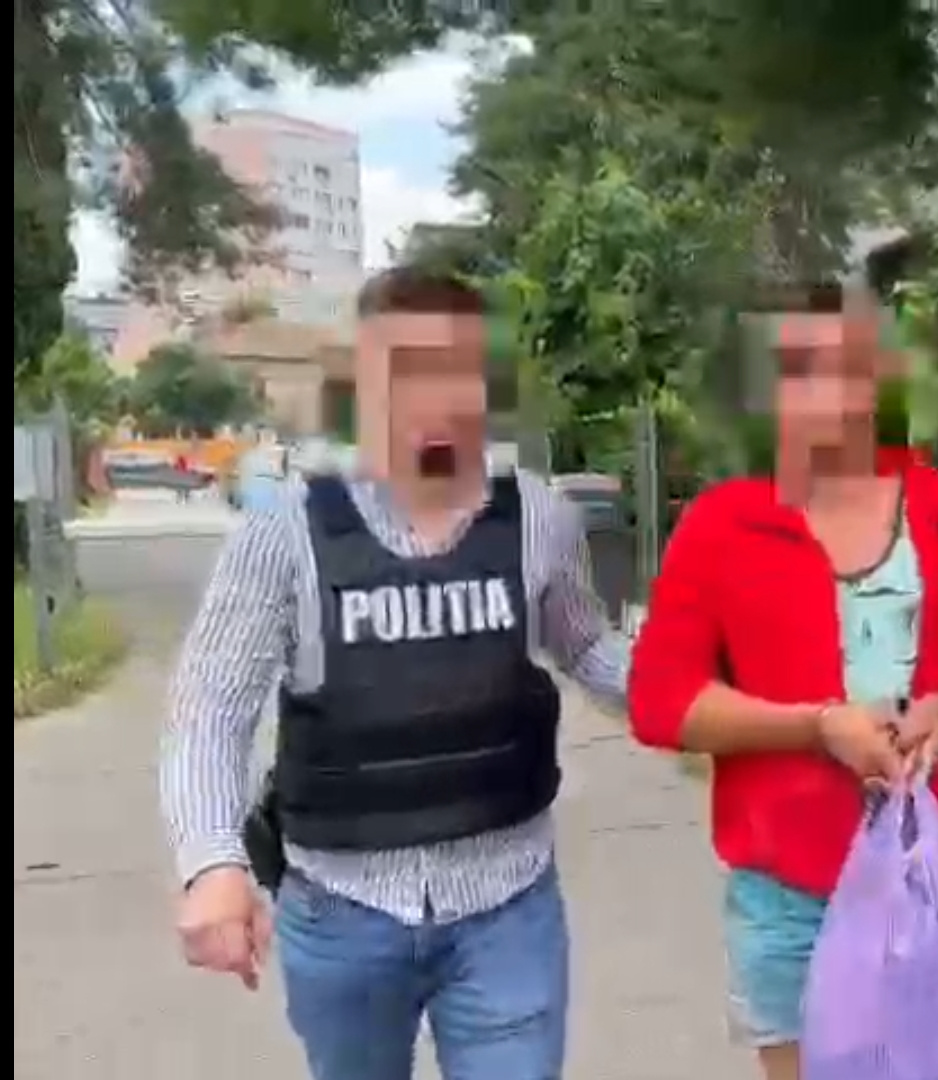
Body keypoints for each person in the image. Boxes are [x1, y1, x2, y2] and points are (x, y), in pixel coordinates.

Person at [159, 265, 630, 1080]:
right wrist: (212, 863)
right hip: (342, 918)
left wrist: (704, 696)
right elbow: (208, 710)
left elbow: (586, 647)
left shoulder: (540, 521)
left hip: (507, 911)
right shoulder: (285, 537)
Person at [627, 285, 938, 1080]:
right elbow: (662, 702)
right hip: (788, 896)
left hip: (932, 877)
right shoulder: (721, 525)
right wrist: (816, 726)